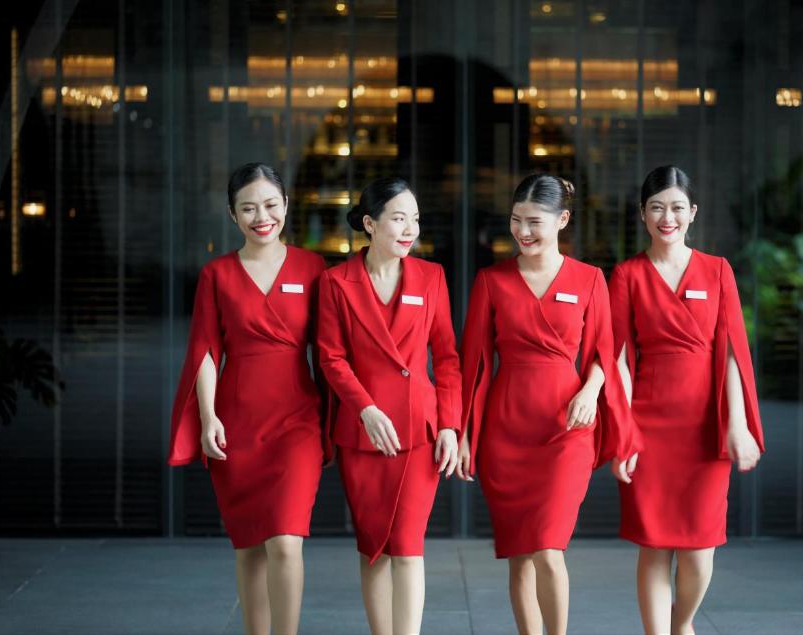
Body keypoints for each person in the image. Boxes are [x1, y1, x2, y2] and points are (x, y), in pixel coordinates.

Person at [457, 173, 640, 635]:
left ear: (562, 220)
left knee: (549, 549)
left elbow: (604, 349)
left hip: (566, 428)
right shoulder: (491, 281)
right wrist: (464, 434)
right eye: (516, 220)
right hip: (507, 428)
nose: (523, 232)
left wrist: (591, 389)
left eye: (534, 222)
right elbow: (473, 365)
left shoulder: (590, 278)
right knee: (520, 556)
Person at [168, 162, 327, 635]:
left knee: (286, 541)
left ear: (286, 205)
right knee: (248, 545)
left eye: (271, 205)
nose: (262, 216)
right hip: (236, 421)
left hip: (298, 419)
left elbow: (334, 350)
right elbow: (204, 351)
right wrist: (209, 415)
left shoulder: (313, 267)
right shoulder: (216, 274)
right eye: (249, 208)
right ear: (232, 215)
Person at [608, 166, 765, 635]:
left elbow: (733, 352)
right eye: (656, 207)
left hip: (705, 424)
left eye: (677, 207)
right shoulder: (627, 275)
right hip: (648, 425)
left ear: (692, 213)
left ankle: (682, 622)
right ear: (642, 214)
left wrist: (737, 423)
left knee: (700, 548)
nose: (667, 216)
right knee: (653, 544)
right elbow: (617, 358)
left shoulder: (718, 270)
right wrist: (624, 433)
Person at [316, 177, 461, 635]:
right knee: (373, 543)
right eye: (398, 218)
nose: (409, 229)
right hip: (364, 432)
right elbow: (330, 358)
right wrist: (364, 407)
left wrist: (450, 426)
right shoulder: (335, 283)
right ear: (368, 223)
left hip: (420, 429)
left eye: (414, 219)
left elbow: (449, 358)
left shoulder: (432, 276)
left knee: (408, 543)